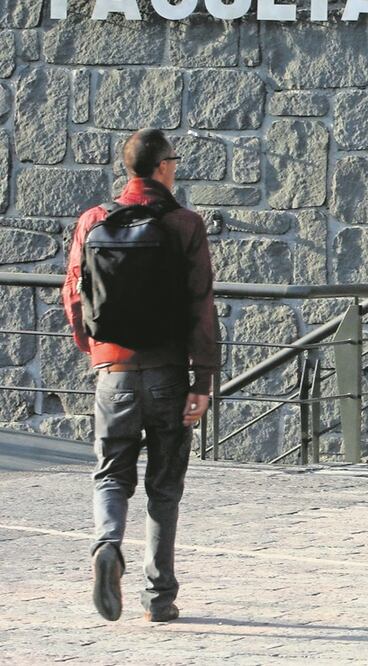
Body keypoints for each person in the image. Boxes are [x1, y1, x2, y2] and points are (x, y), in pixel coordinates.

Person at [62, 128, 219, 623]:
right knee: (164, 487)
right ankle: (159, 597)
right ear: (162, 167)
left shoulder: (93, 220)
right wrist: (203, 381)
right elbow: (201, 307)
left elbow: (73, 295)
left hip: (114, 374)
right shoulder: (184, 224)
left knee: (111, 475)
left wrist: (98, 351)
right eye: (174, 160)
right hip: (169, 373)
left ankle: (107, 544)